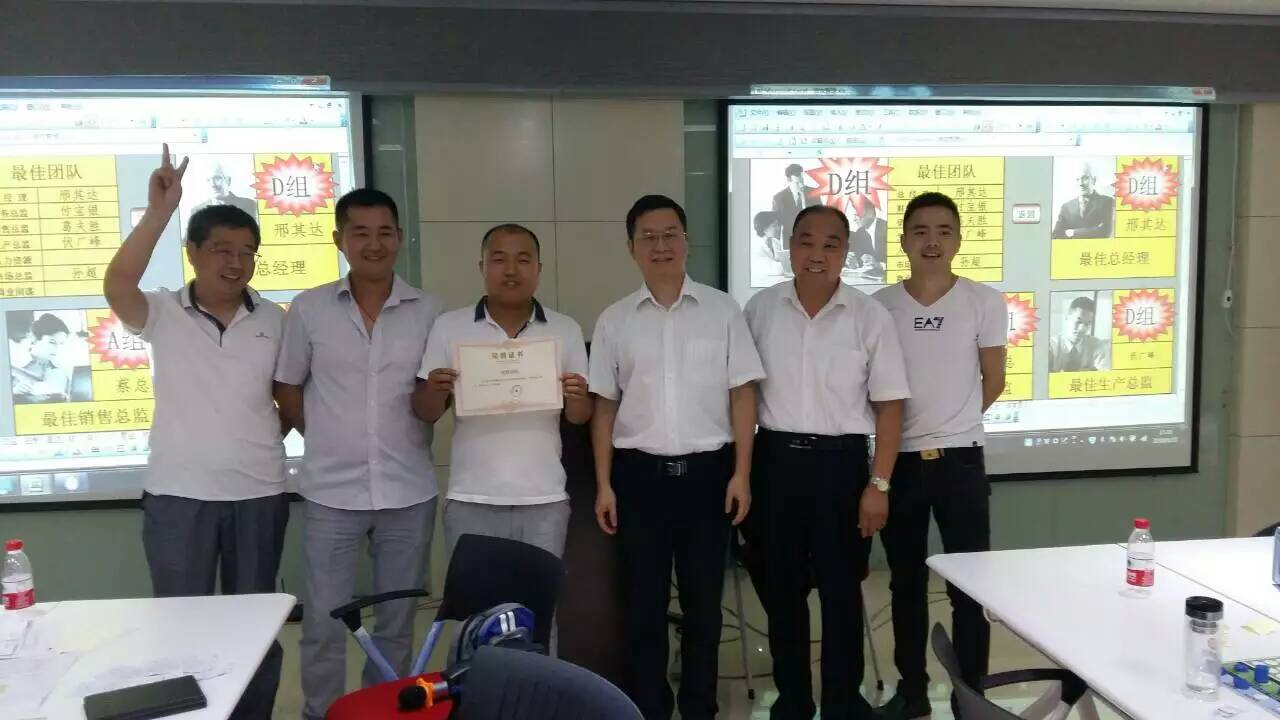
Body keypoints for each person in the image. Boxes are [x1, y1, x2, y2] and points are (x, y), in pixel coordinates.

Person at [103, 144, 288, 720]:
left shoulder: (277, 320)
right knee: (179, 626)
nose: (236, 262)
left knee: (255, 628)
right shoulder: (162, 312)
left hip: (259, 494)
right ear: (193, 254)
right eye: (222, 250)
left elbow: (290, 397)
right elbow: (117, 283)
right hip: (179, 496)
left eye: (247, 252)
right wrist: (159, 212)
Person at [590, 194, 764, 720]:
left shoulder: (722, 310)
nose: (661, 245)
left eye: (670, 235)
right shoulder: (615, 320)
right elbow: (604, 407)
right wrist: (604, 484)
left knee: (703, 606)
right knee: (642, 607)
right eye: (649, 237)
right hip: (638, 478)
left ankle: (699, 707)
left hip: (708, 477)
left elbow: (742, 395)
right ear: (631, 248)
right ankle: (648, 706)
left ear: (687, 241)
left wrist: (742, 473)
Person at [274, 189, 444, 720]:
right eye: (360, 233)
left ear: (400, 238)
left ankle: (385, 711)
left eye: (384, 232)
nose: (374, 244)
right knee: (324, 623)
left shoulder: (429, 312)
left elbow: (432, 395)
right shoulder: (309, 308)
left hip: (408, 491)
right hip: (330, 493)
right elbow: (287, 386)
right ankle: (321, 712)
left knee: (396, 623)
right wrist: (324, 435)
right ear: (339, 239)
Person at [743, 205, 908, 720]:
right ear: (790, 246)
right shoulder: (760, 310)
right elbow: (741, 396)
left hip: (841, 469)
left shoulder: (869, 316)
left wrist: (879, 485)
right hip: (775, 464)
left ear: (846, 252)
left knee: (841, 593)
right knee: (782, 594)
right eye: (806, 241)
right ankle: (792, 701)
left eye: (831, 244)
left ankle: (842, 702)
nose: (817, 254)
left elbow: (890, 407)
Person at [872, 192, 1007, 720]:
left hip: (960, 462)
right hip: (899, 463)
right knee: (904, 585)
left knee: (969, 589)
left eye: (944, 231)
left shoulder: (983, 301)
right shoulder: (879, 305)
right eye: (921, 231)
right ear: (904, 240)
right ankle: (913, 694)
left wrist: (953, 420)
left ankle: (970, 696)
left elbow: (993, 380)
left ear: (958, 240)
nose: (932, 241)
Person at [413, 223, 591, 564]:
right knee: (476, 598)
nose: (511, 270)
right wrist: (434, 389)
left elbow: (579, 416)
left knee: (538, 598)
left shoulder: (565, 329)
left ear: (538, 269)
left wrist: (579, 397)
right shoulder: (449, 327)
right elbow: (426, 411)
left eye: (523, 260)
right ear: (482, 267)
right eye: (499, 260)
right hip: (471, 498)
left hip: (544, 499)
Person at [11, 313, 72, 403]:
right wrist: (14, 392)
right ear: (35, 339)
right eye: (52, 342)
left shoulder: (61, 371)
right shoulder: (13, 365)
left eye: (60, 344)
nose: (57, 349)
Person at [1051, 161, 1115, 239]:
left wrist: (1073, 232)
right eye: (1077, 179)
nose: (1080, 183)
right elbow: (1055, 235)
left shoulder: (1107, 202)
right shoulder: (1066, 207)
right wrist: (1093, 230)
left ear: (1094, 180)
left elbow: (1105, 231)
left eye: (1085, 178)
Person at [1048, 296, 1111, 372]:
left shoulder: (1097, 346)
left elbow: (1106, 374)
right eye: (1078, 322)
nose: (1082, 329)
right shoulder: (1051, 346)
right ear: (1066, 317)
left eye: (1087, 324)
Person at [772, 163, 817, 248]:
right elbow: (776, 224)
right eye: (797, 182)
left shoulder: (813, 192)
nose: (801, 185)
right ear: (788, 180)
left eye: (802, 181)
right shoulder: (778, 198)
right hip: (789, 242)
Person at [193, 162, 259, 219]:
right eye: (208, 180)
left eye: (217, 178)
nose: (212, 184)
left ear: (228, 181)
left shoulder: (249, 205)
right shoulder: (197, 211)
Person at [848, 202, 888, 282]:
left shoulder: (887, 228)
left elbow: (901, 262)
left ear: (870, 213)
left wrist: (879, 265)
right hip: (872, 280)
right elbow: (861, 259)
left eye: (857, 215)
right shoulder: (860, 232)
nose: (854, 219)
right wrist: (854, 262)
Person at [752, 210, 789, 278]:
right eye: (774, 225)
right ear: (764, 228)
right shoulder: (755, 247)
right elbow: (773, 269)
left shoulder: (775, 242)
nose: (779, 228)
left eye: (779, 224)